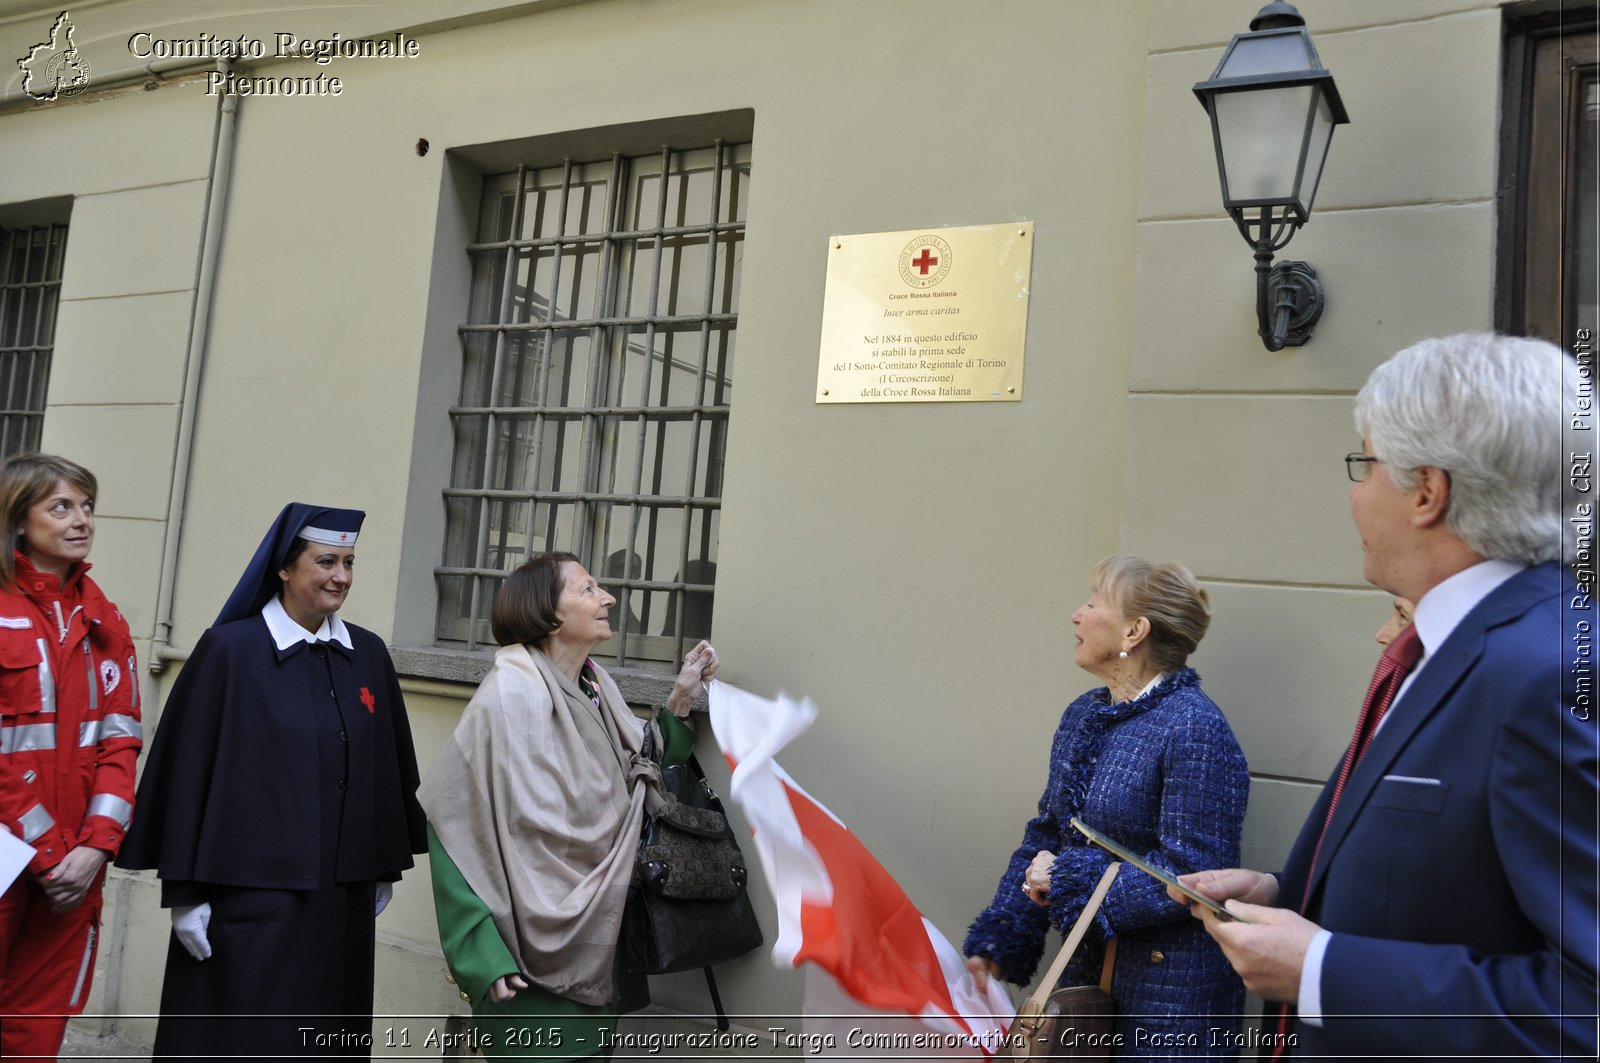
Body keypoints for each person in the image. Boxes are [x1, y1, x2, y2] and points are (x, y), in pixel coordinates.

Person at [1176, 333, 1599, 1058]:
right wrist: (1293, 894)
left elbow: (1585, 1010)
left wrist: (1322, 968)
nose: (1354, 494)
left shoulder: (1546, 672)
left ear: (1428, 492)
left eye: (1364, 464)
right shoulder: (1453, 646)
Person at [117, 502, 426, 1057]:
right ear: (284, 568)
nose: (341, 577)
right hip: (249, 899)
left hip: (341, 899)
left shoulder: (369, 654)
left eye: (349, 563)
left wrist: (382, 863)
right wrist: (184, 893)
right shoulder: (230, 651)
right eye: (326, 561)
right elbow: (188, 772)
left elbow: (386, 763)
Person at [419, 552, 719, 1061]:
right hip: (522, 952)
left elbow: (636, 771)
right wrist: (479, 952)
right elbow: (453, 822)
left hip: (599, 930)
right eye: (586, 590)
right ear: (547, 613)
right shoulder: (506, 698)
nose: (607, 598)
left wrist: (681, 700)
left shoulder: (596, 687)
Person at [964, 555, 1250, 1058]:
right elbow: (1048, 836)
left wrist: (1069, 880)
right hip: (1086, 983)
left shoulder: (1195, 727)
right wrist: (1004, 934)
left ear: (1135, 630)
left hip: (1169, 1002)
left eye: (1093, 603)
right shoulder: (1083, 715)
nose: (1076, 615)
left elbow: (1195, 875)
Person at [0, 453, 141, 1060]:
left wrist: (95, 846)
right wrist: (53, 851)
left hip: (72, 868)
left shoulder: (104, 618)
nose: (82, 519)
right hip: (16, 857)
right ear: (16, 519)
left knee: (37, 1026)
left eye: (87, 506)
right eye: (61, 506)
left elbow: (121, 743)